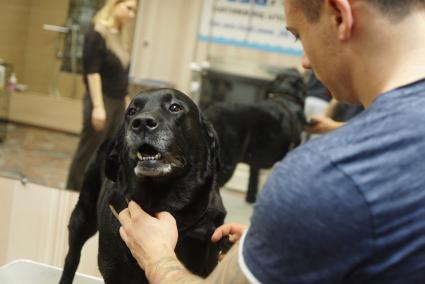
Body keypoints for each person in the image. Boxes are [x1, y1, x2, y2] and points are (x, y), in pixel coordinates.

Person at [114, 1, 425, 283]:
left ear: (340, 15)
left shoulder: (327, 175)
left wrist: (157, 258)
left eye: (298, 35)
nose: (304, 62)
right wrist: (283, 241)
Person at [66, 0, 137, 191]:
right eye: (128, 8)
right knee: (89, 149)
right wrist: (98, 107)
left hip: (117, 101)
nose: (131, 14)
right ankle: (73, 190)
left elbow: (121, 75)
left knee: (108, 151)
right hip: (101, 99)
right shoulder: (97, 34)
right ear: (114, 5)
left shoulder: (120, 37)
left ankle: (94, 193)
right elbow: (92, 72)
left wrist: (127, 101)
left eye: (134, 11)